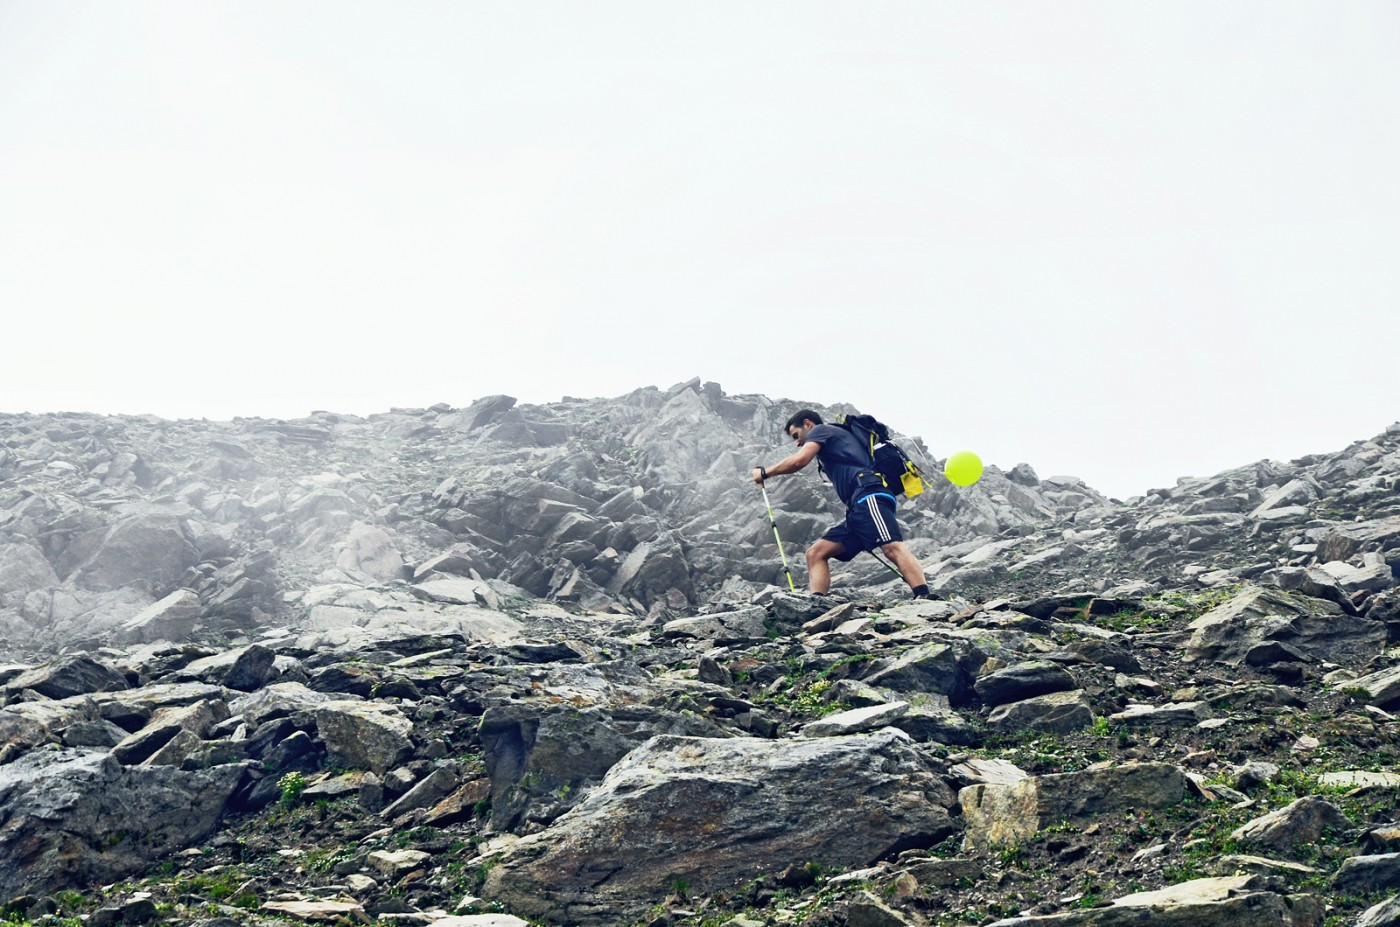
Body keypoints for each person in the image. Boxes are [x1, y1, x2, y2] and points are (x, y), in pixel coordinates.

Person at [751, 409, 931, 598]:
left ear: (808, 424)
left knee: (891, 546)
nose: (797, 443)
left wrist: (765, 472)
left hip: (869, 495)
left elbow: (799, 461)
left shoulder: (820, 430)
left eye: (796, 435)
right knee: (816, 553)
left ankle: (925, 596)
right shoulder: (833, 436)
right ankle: (818, 604)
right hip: (858, 507)